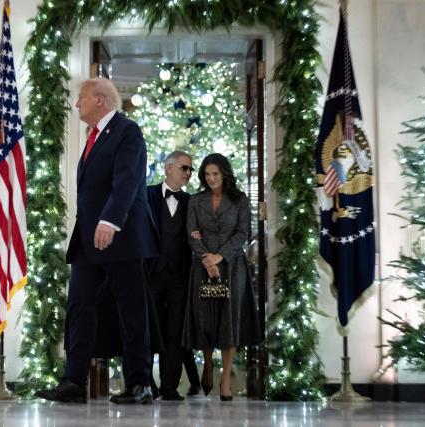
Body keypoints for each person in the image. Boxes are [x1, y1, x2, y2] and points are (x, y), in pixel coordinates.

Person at [35, 78, 157, 404]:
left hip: (121, 234)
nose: (77, 104)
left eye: (81, 98)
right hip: (89, 238)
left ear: (100, 100)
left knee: (131, 309)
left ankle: (139, 384)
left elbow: (128, 181)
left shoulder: (127, 131)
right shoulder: (93, 137)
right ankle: (73, 382)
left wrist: (110, 220)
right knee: (79, 305)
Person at [181, 153, 262, 401]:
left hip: (232, 268)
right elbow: (191, 235)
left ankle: (225, 382)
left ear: (224, 174)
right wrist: (207, 259)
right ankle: (207, 363)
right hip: (202, 268)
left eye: (215, 174)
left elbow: (242, 233)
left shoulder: (240, 201)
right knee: (205, 319)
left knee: (229, 322)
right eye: (207, 174)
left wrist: (219, 257)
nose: (211, 178)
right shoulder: (195, 201)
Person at [146, 151, 201, 400]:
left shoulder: (192, 202)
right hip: (151, 275)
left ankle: (169, 386)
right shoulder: (146, 195)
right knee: (148, 330)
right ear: (169, 168)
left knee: (175, 332)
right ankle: (146, 384)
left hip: (180, 277)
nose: (189, 173)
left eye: (190, 169)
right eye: (185, 168)